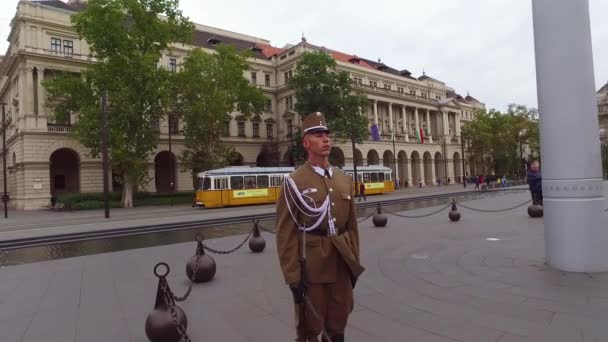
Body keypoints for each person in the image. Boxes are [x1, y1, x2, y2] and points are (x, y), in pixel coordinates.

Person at [275, 112, 364, 342]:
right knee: (311, 327)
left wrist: (353, 257)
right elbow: (286, 234)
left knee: (339, 320)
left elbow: (352, 226)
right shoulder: (294, 182)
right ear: (306, 143)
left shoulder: (343, 179)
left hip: (341, 262)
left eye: (327, 134)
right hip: (312, 268)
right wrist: (293, 278)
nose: (325, 139)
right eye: (317, 134)